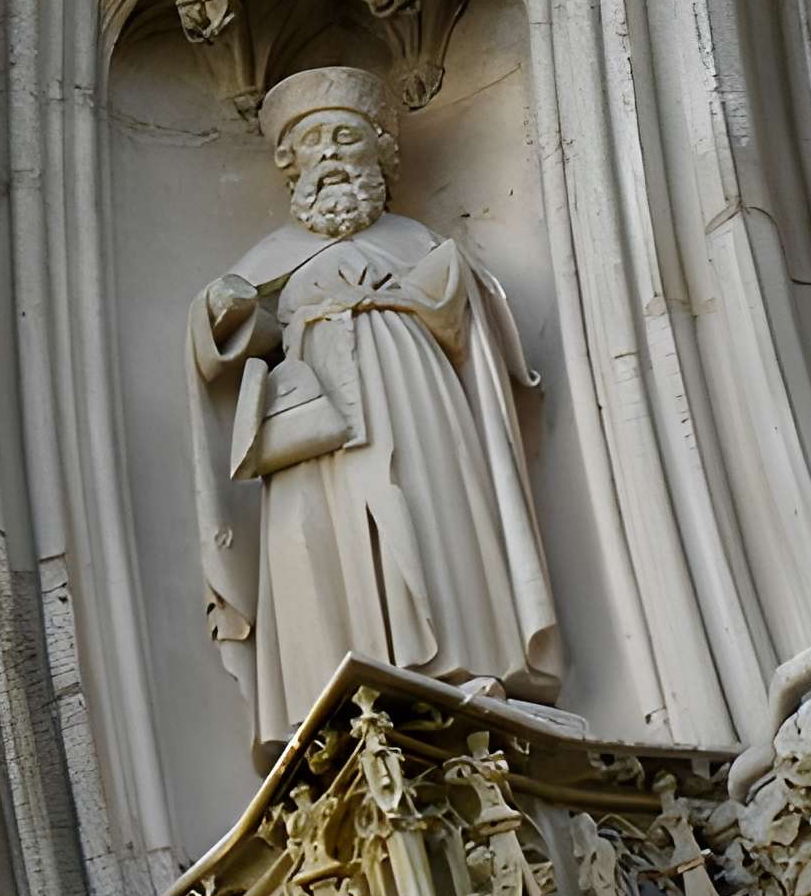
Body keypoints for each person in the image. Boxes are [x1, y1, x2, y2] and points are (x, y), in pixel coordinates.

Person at [189, 66, 560, 762]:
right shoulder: (274, 258)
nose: (330, 155)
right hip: (317, 421)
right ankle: (333, 690)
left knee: (430, 504)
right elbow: (234, 344)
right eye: (313, 142)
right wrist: (224, 311)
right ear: (290, 164)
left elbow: (466, 324)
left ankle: (460, 665)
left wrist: (437, 290)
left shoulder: (414, 239)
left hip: (412, 392)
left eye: (345, 137)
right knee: (314, 531)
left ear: (379, 153)